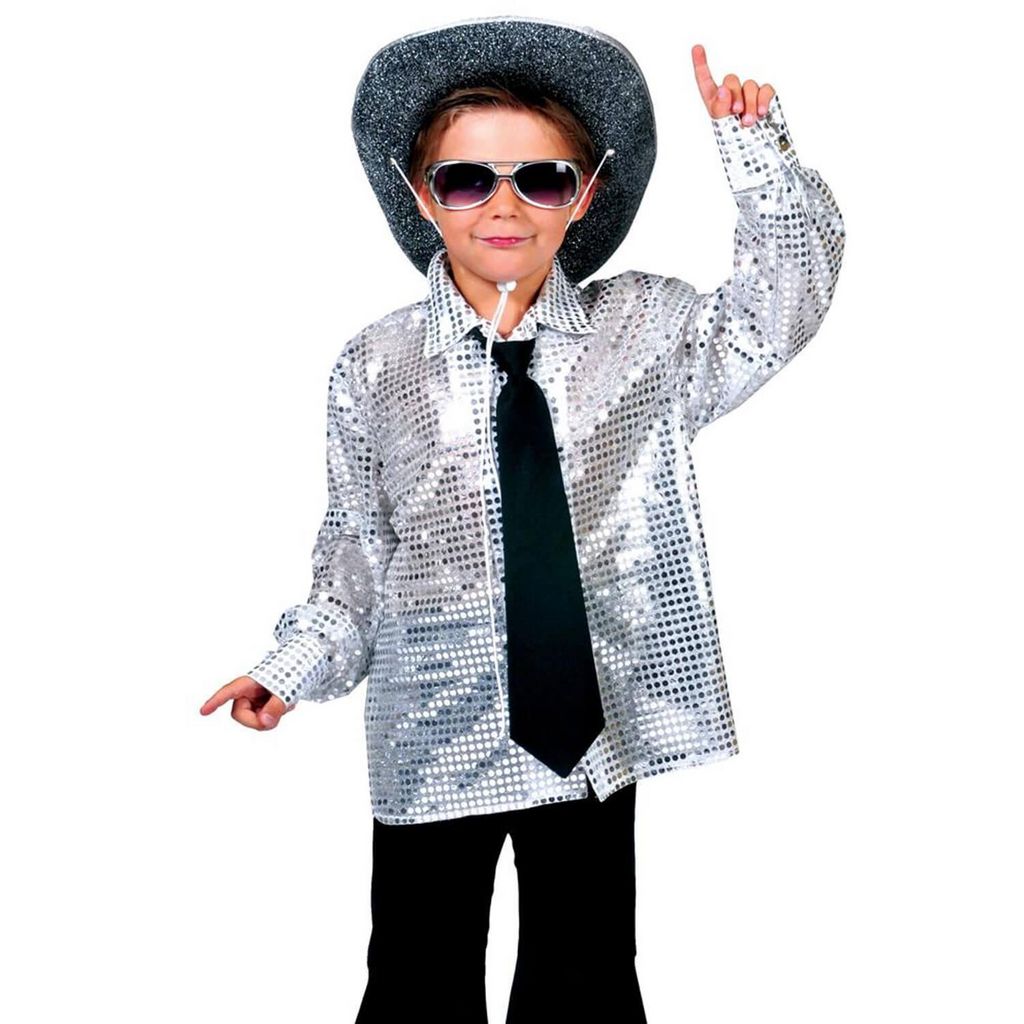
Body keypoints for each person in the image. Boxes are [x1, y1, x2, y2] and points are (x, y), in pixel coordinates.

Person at [200, 17, 845, 1023]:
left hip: (588, 732)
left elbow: (779, 311)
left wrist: (756, 153)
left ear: (582, 196)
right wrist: (290, 667)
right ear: (422, 196)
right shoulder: (375, 366)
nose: (504, 205)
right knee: (415, 981)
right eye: (467, 180)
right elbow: (357, 553)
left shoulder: (645, 331)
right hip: (431, 726)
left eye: (540, 179)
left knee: (586, 981)